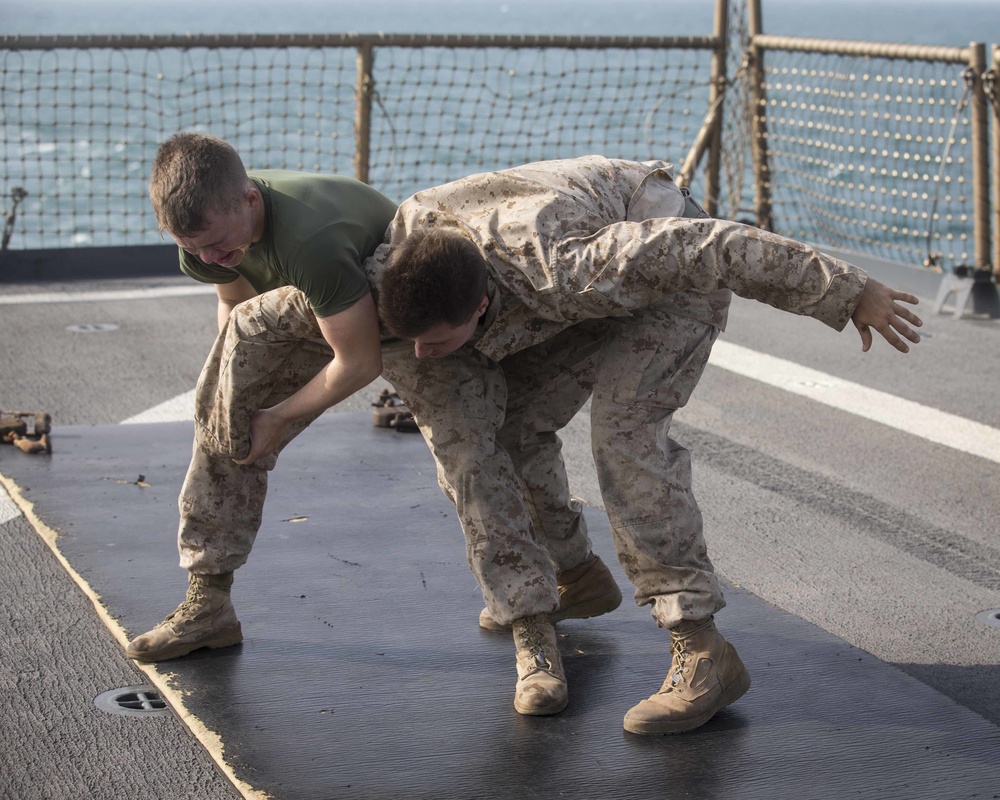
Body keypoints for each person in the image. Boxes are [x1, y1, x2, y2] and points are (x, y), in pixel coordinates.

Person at [366, 155, 922, 733]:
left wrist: (848, 290)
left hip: (670, 268)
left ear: (479, 306)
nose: (423, 355)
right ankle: (572, 574)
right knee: (509, 426)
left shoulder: (572, 268)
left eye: (436, 342)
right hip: (554, 276)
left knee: (624, 434)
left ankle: (703, 650)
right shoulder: (398, 258)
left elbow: (713, 247)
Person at [126, 133, 397, 662]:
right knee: (225, 418)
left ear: (250, 199)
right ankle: (209, 607)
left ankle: (551, 592)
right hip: (318, 307)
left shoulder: (309, 238)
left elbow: (362, 362)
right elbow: (234, 300)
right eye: (195, 248)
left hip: (397, 303)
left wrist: (278, 417)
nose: (210, 257)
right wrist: (232, 390)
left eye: (220, 245)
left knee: (471, 450)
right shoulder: (207, 243)